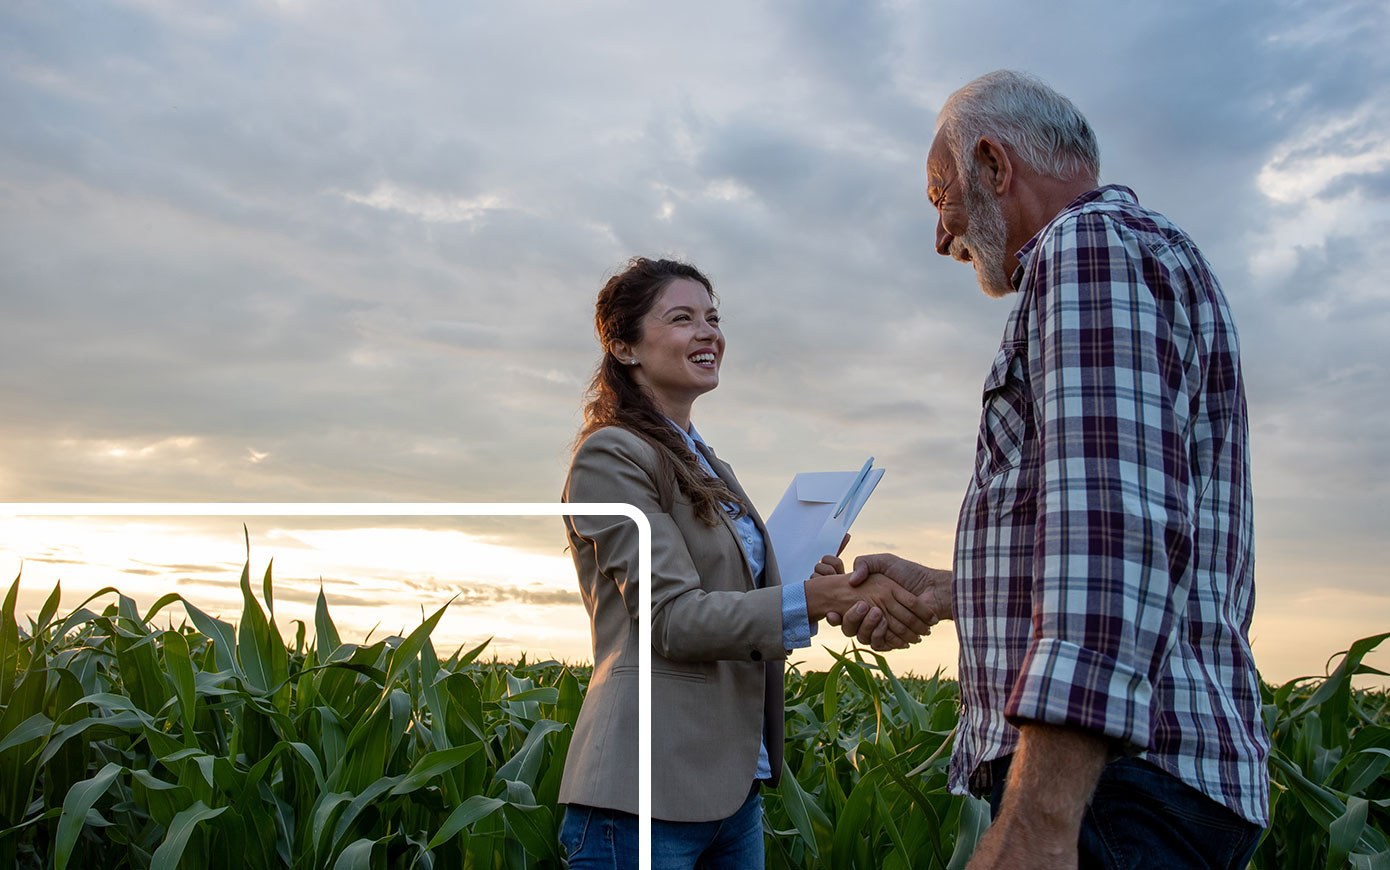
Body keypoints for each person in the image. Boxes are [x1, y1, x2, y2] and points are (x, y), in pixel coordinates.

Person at [831, 71, 1269, 869]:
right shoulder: (1136, 253)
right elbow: (1138, 530)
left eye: (941, 197)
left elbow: (1111, 536)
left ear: (995, 166)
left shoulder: (1087, 247)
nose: (941, 235)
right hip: (1135, 786)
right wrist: (945, 589)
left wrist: (1037, 823)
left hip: (1115, 790)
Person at [559, 256, 934, 869]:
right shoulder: (610, 457)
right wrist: (813, 602)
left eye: (713, 317)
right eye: (682, 319)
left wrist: (811, 585)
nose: (708, 332)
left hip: (733, 795)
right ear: (623, 346)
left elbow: (742, 603)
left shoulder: (711, 466)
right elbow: (673, 619)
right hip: (642, 796)